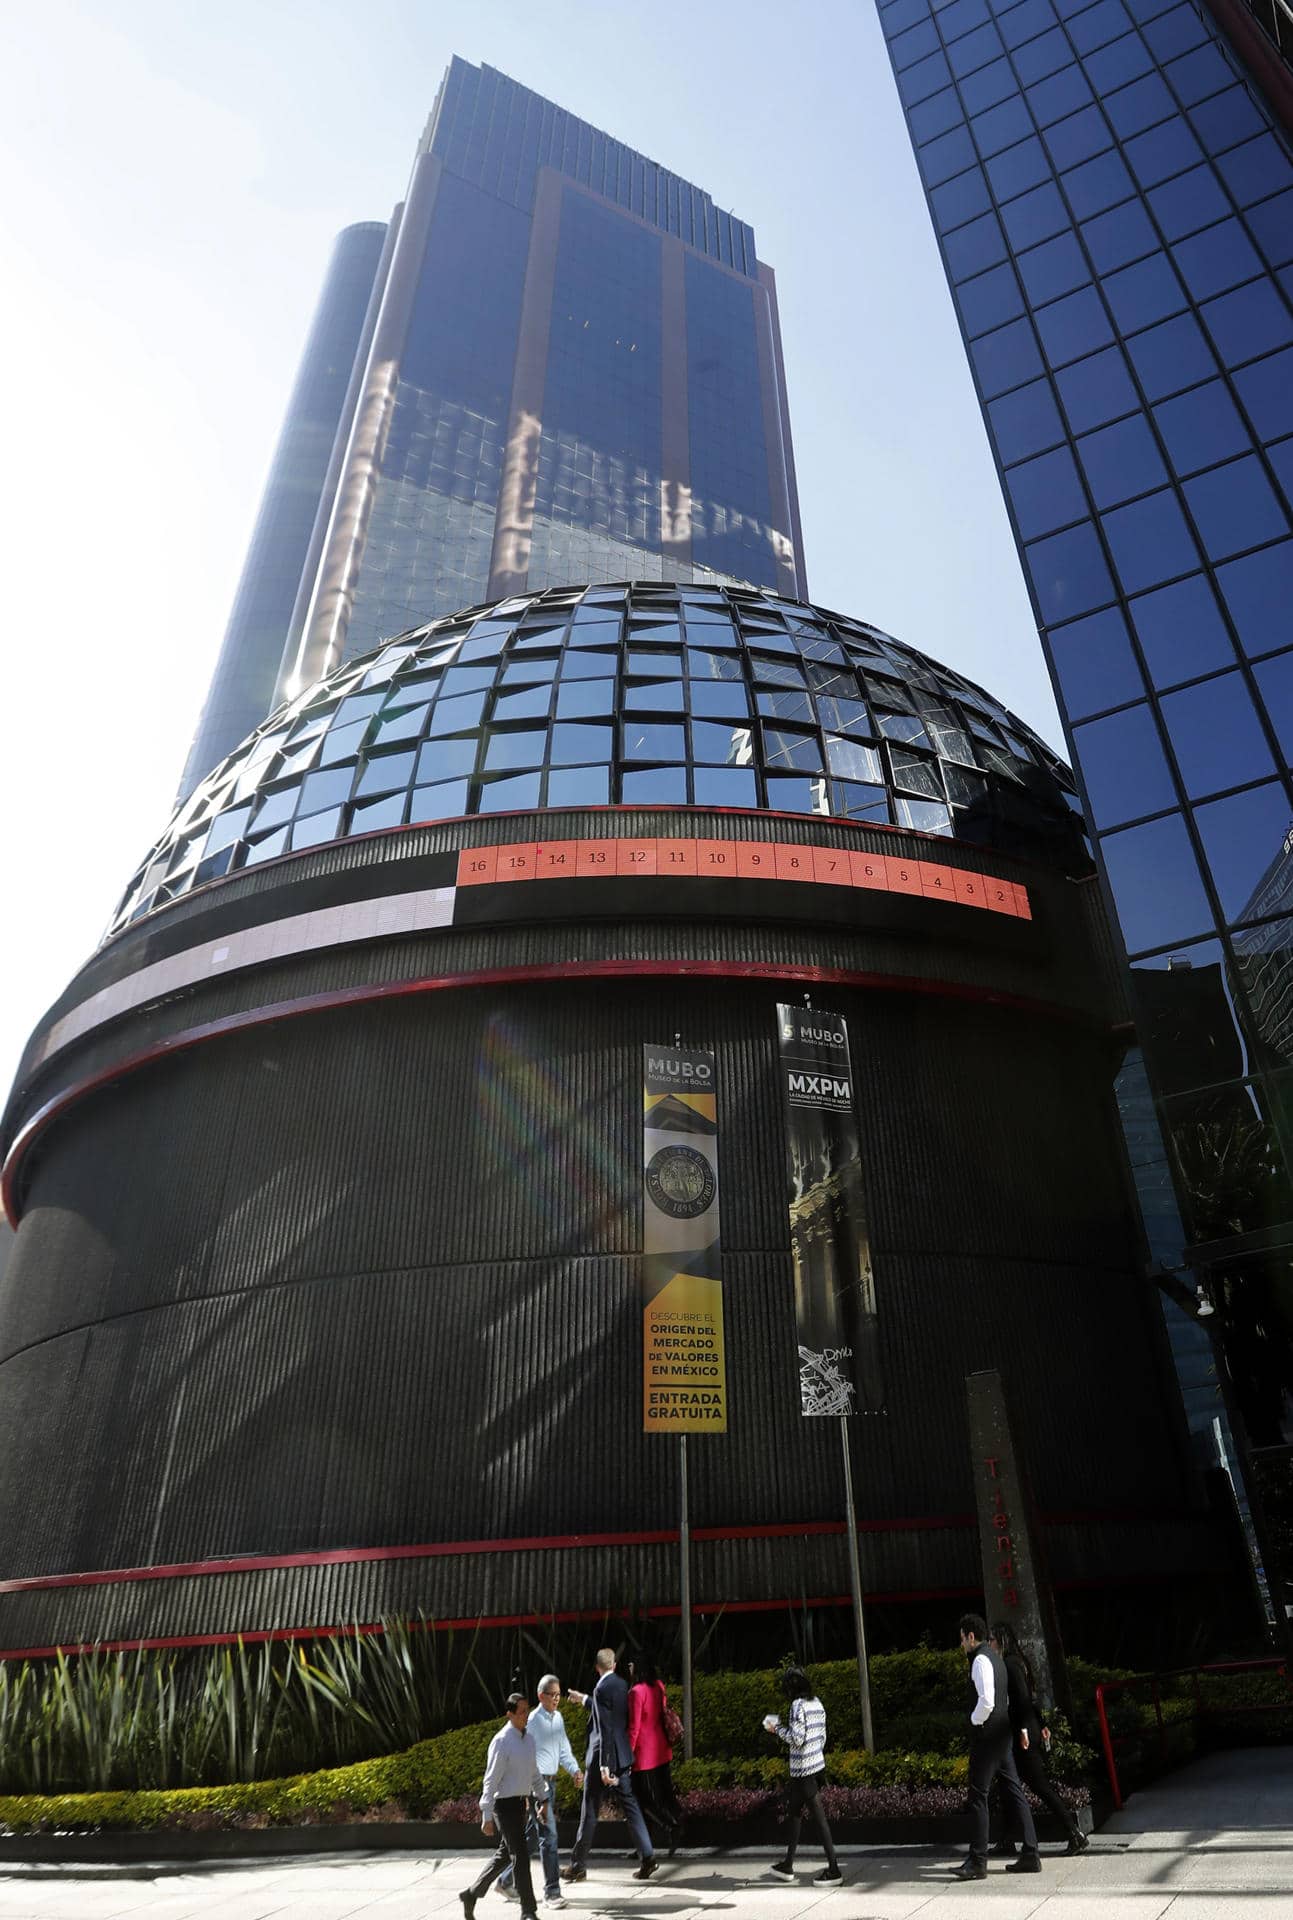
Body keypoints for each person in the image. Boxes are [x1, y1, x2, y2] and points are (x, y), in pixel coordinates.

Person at [953, 1613, 1041, 1882]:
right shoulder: (997, 1659)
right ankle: (1031, 1853)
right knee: (1014, 1791)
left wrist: (973, 1720)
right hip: (1003, 1735)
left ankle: (978, 1861)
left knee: (978, 1796)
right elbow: (1003, 1700)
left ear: (971, 1636)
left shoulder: (980, 1659)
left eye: (962, 1639)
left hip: (988, 1736)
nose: (961, 1645)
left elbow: (987, 1701)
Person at [990, 1621, 1087, 1855]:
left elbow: (1023, 1700)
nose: (990, 1643)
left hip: (1022, 1735)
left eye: (992, 1639)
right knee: (1007, 1786)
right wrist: (1041, 1725)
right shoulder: (1018, 1663)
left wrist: (1024, 1731)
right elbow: (1030, 1700)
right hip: (1026, 1731)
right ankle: (1006, 1839)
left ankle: (1074, 1833)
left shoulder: (1010, 1665)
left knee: (1039, 1786)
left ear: (1002, 1640)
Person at [560, 1647, 656, 1884]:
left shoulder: (601, 1688)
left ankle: (578, 1865)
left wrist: (604, 1765)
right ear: (613, 1665)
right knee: (631, 1807)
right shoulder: (622, 1684)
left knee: (589, 1811)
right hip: (622, 1756)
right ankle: (648, 1857)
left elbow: (604, 1728)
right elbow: (610, 1716)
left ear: (597, 1667)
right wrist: (584, 1699)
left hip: (602, 1759)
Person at [496, 1673, 583, 1908]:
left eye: (559, 1694)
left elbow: (563, 1747)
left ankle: (505, 1880)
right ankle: (552, 1892)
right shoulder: (532, 1721)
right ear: (540, 1695)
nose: (557, 1699)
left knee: (533, 1838)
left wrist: (575, 1770)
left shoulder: (558, 1719)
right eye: (552, 1695)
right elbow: (526, 1755)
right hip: (538, 1786)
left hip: (551, 1783)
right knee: (549, 1835)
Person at [461, 1693, 548, 1920]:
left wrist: (543, 1799)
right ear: (509, 1714)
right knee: (519, 1854)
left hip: (521, 1804)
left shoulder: (528, 1740)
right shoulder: (501, 1741)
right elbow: (490, 1780)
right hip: (504, 1806)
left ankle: (471, 1894)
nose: (525, 1716)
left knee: (505, 1854)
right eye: (521, 1712)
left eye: (527, 1711)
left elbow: (534, 1772)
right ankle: (528, 1910)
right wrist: (486, 1815)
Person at [764, 1665, 842, 1885]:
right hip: (815, 1766)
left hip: (803, 1771)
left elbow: (797, 1738)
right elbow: (823, 1736)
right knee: (795, 1814)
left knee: (818, 1819)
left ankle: (834, 1869)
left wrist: (776, 1729)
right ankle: (787, 1865)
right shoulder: (817, 1703)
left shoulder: (797, 1705)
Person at [627, 1654, 685, 1850]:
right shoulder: (658, 1686)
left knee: (641, 1800)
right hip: (661, 1748)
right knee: (661, 1794)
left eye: (631, 1664)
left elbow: (634, 1728)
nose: (629, 1667)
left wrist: (627, 1755)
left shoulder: (635, 1692)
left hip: (643, 1755)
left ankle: (670, 1826)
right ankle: (645, 1846)